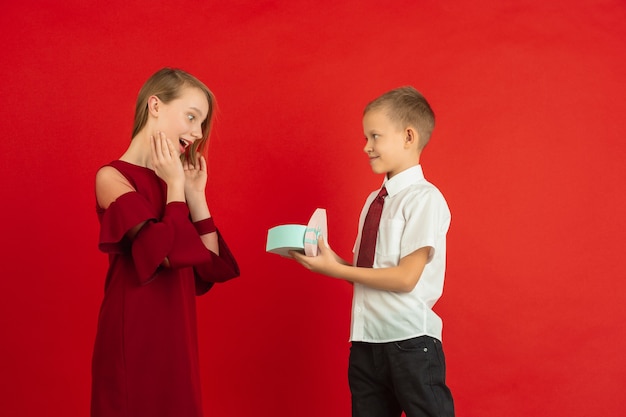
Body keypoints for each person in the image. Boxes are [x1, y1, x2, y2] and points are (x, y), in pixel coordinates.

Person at [290, 87, 455, 417]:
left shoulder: (425, 198)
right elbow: (370, 273)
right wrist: (327, 257)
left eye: (374, 136)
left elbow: (406, 278)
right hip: (366, 343)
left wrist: (335, 270)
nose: (366, 147)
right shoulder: (373, 201)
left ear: (408, 136)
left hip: (410, 343)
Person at [91, 67, 240, 417]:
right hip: (134, 333)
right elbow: (166, 256)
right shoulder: (112, 177)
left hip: (177, 334)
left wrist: (195, 195)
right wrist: (175, 186)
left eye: (201, 123)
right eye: (191, 116)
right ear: (155, 105)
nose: (197, 132)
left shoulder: (173, 185)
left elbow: (209, 264)